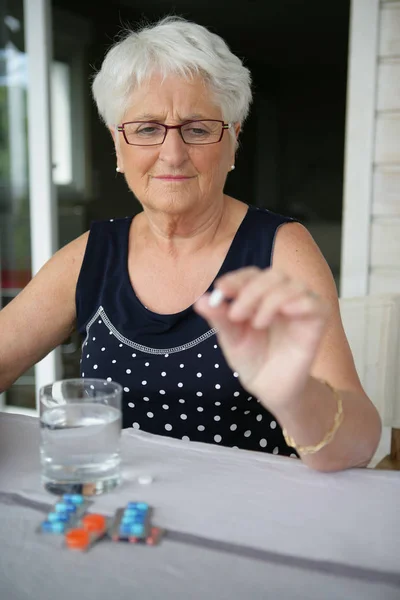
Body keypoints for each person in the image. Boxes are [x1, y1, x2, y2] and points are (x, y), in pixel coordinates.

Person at [0, 16, 381, 472]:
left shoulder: (281, 248)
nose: (173, 153)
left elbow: (358, 446)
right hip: (122, 517)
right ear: (118, 146)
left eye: (198, 129)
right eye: (146, 128)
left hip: (249, 523)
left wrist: (297, 393)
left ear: (233, 142)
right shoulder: (92, 253)